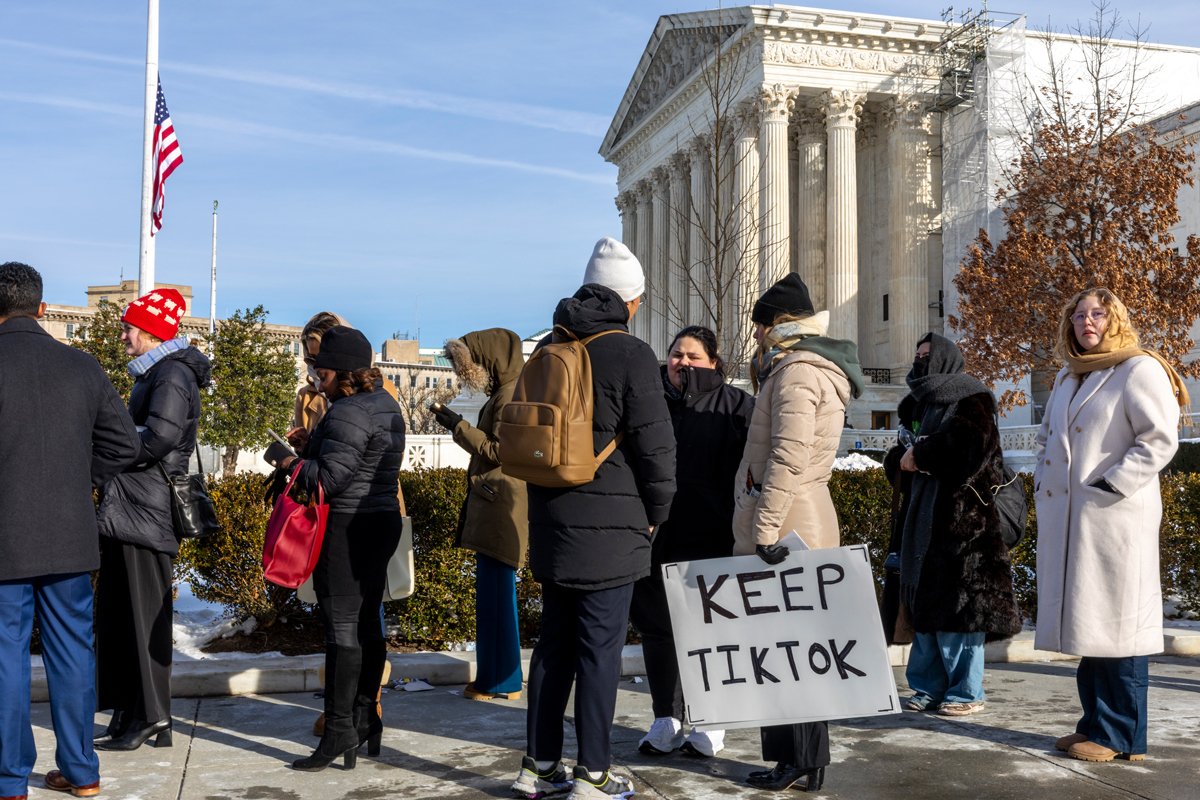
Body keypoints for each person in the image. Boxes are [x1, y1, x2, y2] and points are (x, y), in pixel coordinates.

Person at [511, 237, 676, 800]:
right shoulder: (630, 353)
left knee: (554, 646)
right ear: (629, 302)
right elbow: (656, 447)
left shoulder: (550, 346)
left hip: (551, 517)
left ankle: (538, 767)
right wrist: (657, 513)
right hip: (613, 526)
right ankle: (594, 772)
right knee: (599, 652)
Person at [0, 262, 140, 799]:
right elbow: (124, 446)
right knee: (72, 652)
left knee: (7, 657)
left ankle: (11, 780)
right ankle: (82, 773)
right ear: (42, 308)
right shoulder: (82, 366)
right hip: (68, 531)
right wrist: (78, 480)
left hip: (5, 537)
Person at [1034, 288, 1185, 763]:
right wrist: (1044, 478)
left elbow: (1160, 438)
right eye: (1078, 313)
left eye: (1098, 312)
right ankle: (1094, 725)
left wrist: (1113, 484)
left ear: (1115, 319)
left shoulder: (1139, 369)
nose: (1087, 320)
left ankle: (1123, 738)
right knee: (1090, 626)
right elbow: (1047, 436)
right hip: (1076, 521)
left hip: (1116, 518)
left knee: (1120, 629)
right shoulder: (1067, 375)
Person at [731, 273, 864, 793]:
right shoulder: (804, 369)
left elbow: (788, 457)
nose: (757, 336)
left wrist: (764, 530)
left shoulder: (797, 373)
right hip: (798, 514)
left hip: (787, 523)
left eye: (760, 326)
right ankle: (798, 760)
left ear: (777, 325)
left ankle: (799, 760)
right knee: (789, 649)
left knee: (788, 650)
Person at [277, 325, 406, 771]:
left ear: (339, 373)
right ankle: (364, 717)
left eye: (320, 371)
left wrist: (290, 461)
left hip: (348, 528)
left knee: (342, 630)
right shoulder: (386, 403)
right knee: (368, 623)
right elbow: (359, 463)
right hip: (381, 522)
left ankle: (337, 731)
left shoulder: (348, 411)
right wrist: (313, 445)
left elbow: (329, 481)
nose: (316, 379)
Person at [94, 288, 212, 753]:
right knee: (124, 616)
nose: (123, 336)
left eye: (128, 328)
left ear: (150, 332)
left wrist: (103, 458)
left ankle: (153, 716)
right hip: (132, 508)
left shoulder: (171, 374)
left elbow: (158, 437)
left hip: (146, 510)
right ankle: (132, 711)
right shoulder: (156, 374)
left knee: (143, 620)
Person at [882, 333, 1023, 718]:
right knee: (923, 607)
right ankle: (928, 687)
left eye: (927, 355)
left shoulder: (971, 398)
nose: (920, 361)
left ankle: (966, 691)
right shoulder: (915, 403)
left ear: (946, 359)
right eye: (917, 356)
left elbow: (968, 451)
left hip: (965, 525)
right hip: (921, 522)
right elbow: (897, 456)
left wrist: (920, 453)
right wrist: (902, 459)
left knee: (961, 612)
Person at [630, 325, 752, 759]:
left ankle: (711, 721)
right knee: (658, 631)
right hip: (657, 539)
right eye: (676, 354)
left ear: (713, 363)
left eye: (693, 356)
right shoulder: (651, 403)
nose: (682, 362)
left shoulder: (737, 407)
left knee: (712, 634)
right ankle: (666, 717)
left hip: (713, 539)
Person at [434, 328, 528, 702]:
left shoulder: (509, 395)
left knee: (497, 597)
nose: (469, 371)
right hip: (499, 500)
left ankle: (502, 681)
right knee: (494, 596)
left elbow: (502, 450)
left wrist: (458, 426)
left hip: (500, 501)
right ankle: (497, 677)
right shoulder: (509, 390)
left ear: (491, 359)